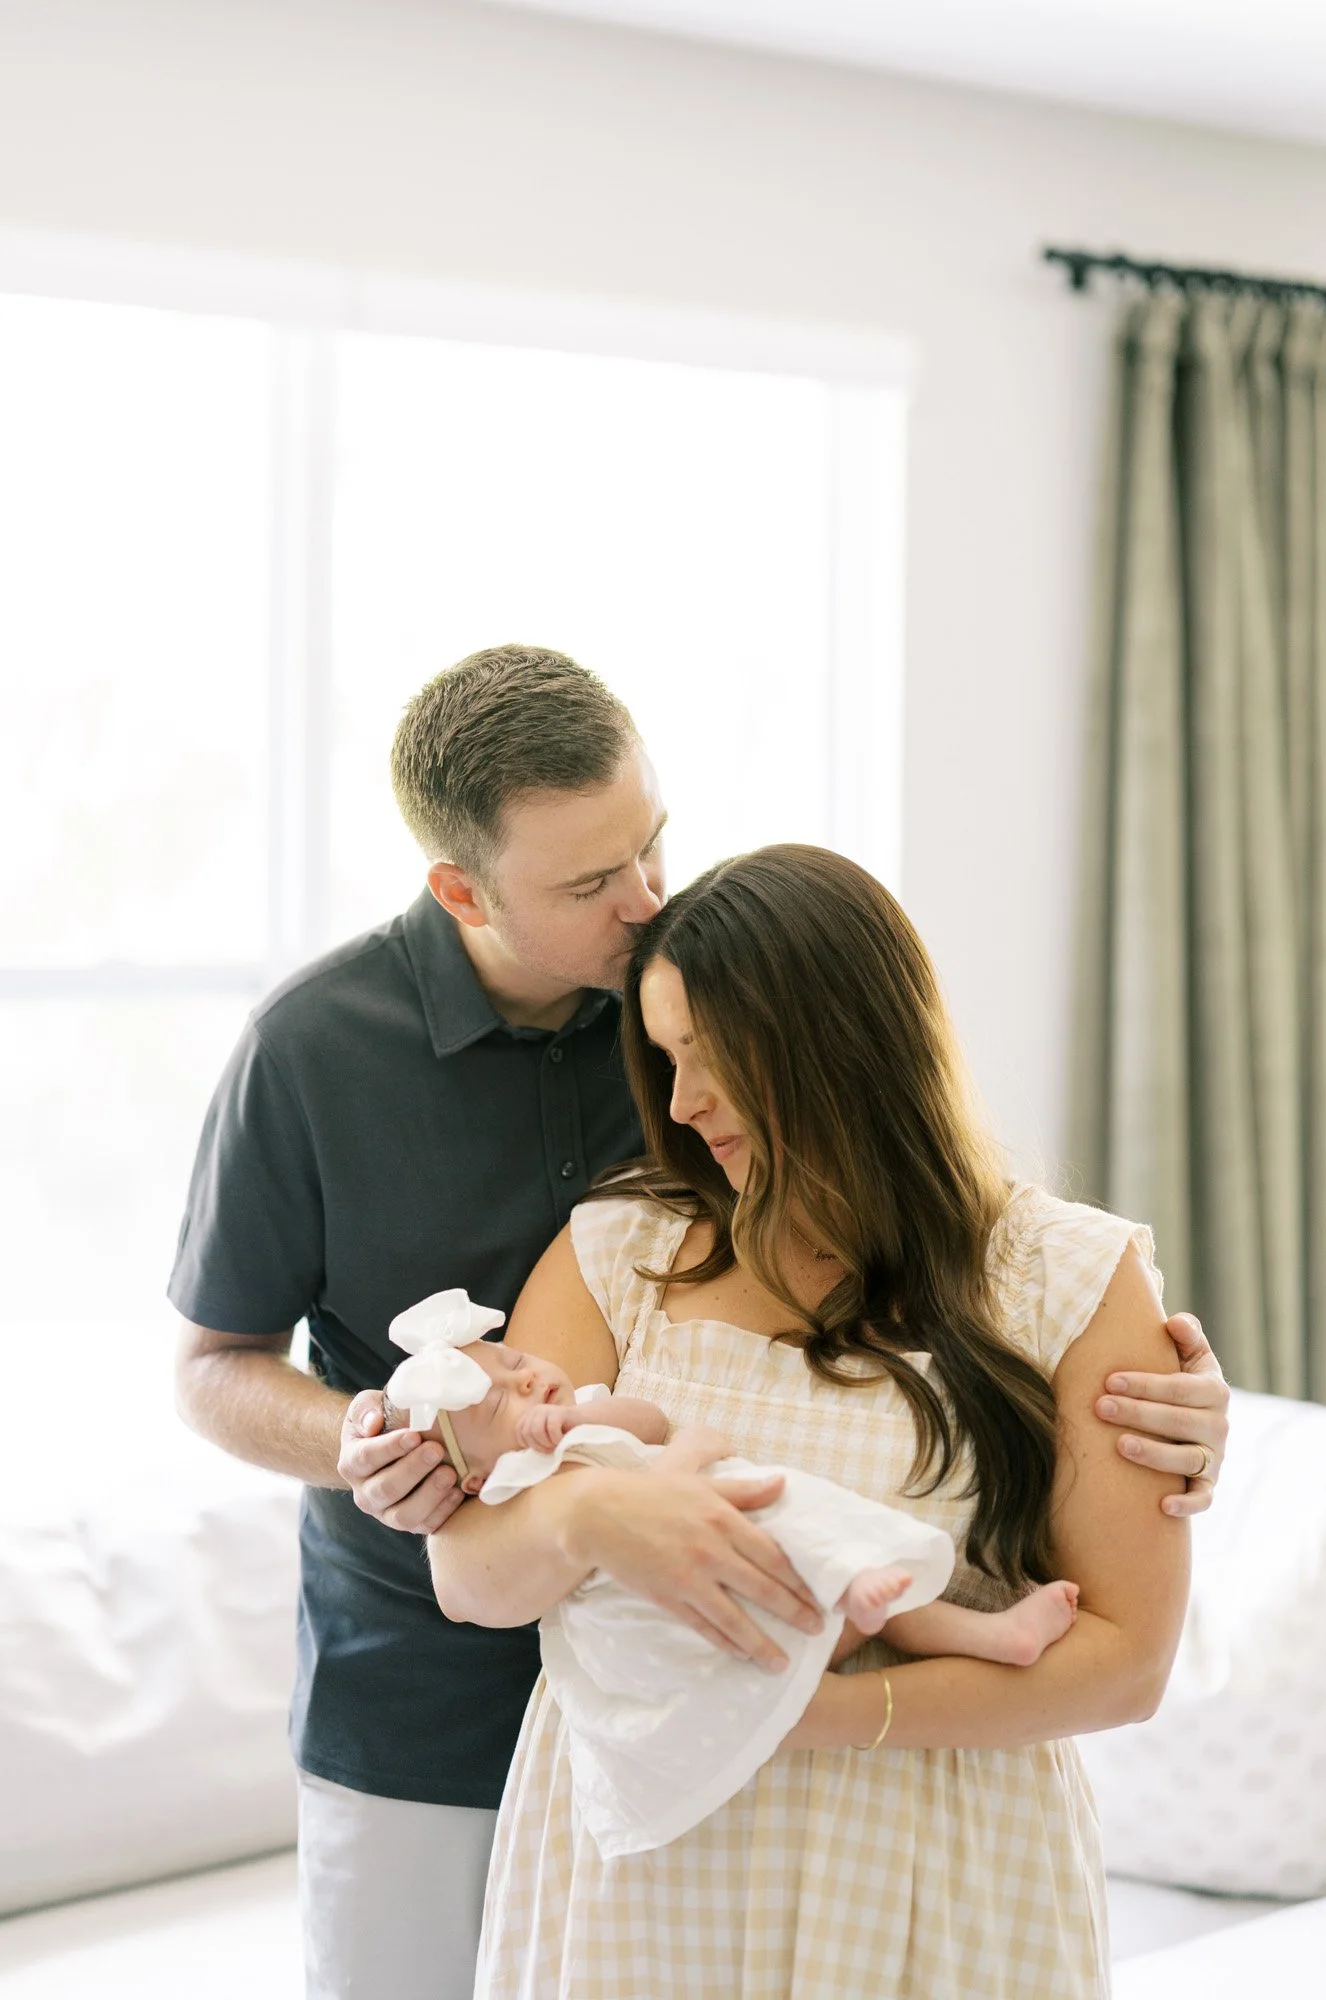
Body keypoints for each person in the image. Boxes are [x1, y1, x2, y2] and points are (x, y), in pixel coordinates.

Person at [170, 646, 1229, 2000]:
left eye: (650, 847)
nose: (642, 901)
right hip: (444, 1694)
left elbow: (1108, 1606)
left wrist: (1172, 1399)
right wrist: (388, 1445)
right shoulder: (318, 1058)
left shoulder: (708, 978)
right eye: (588, 885)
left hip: (870, 1791)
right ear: (462, 891)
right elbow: (217, 1367)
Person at [428, 845, 1195, 2000]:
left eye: (712, 1058)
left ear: (837, 1045)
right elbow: (470, 1574)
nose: (681, 1103)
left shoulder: (1067, 1279)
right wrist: (590, 1513)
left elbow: (1123, 1663)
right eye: (667, 1056)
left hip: (929, 1861)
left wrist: (796, 1716)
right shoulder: (624, 1250)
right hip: (640, 1868)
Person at [379, 1294, 1079, 1859]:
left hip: (720, 1518)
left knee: (826, 1544)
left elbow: (650, 1424)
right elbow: (481, 1581)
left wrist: (574, 1419)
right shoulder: (506, 1491)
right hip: (645, 1615)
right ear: (470, 1477)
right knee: (716, 1659)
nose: (525, 1379)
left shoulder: (581, 1422)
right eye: (500, 1403)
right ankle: (834, 1627)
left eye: (514, 1360)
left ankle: (982, 1633)